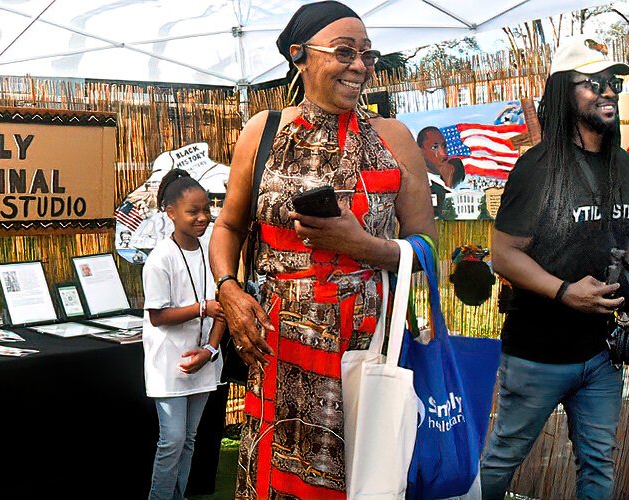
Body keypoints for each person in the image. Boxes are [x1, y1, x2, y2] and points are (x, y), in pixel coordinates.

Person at [206, 2, 438, 496]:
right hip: (277, 342)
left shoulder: (392, 137)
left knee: (366, 474)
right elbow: (228, 226)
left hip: (367, 343)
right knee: (278, 475)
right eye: (344, 52)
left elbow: (427, 249)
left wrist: (364, 246)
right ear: (300, 56)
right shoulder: (263, 131)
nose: (360, 66)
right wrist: (228, 289)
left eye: (368, 55)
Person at [481, 34, 629, 500]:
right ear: (565, 92)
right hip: (536, 352)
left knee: (599, 463)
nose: (608, 90)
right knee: (502, 458)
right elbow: (504, 254)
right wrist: (565, 292)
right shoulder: (537, 168)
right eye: (593, 82)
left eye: (612, 82)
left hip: (601, 355)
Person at [142, 169, 227, 500]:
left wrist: (210, 348)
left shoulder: (212, 250)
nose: (203, 217)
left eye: (206, 209)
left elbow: (224, 302)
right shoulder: (160, 259)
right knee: (172, 440)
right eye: (193, 211)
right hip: (170, 365)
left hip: (205, 358)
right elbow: (158, 315)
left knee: (189, 438)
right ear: (171, 212)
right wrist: (201, 309)